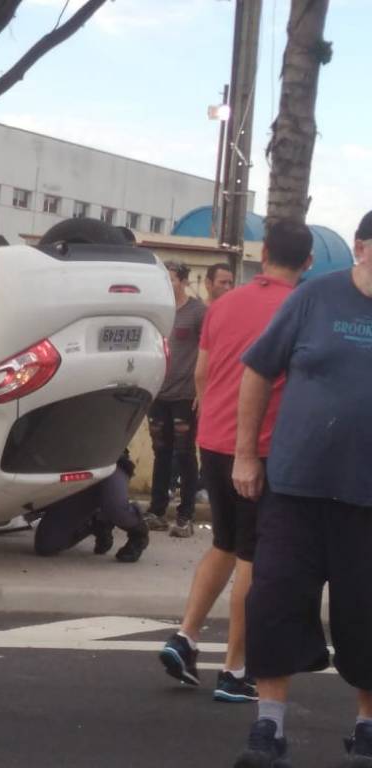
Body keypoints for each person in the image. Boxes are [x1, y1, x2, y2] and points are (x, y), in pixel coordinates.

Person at [230, 211, 372, 768]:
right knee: (275, 603)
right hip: (296, 488)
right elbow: (258, 370)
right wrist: (245, 453)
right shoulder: (314, 299)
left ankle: (366, 730)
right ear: (362, 248)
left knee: (368, 614)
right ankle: (269, 727)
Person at [158, 220, 312, 705]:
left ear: (262, 253)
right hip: (261, 450)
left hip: (215, 439)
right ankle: (235, 669)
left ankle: (185, 636)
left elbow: (202, 373)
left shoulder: (223, 305)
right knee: (253, 557)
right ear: (307, 263)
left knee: (224, 544)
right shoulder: (299, 308)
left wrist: (212, 420)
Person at [142, 261, 206, 537]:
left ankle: (185, 515)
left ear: (183, 281)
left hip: (185, 395)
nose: (168, 285)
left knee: (184, 452)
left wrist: (203, 391)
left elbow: (208, 351)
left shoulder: (198, 312)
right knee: (161, 452)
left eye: (172, 280)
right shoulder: (157, 312)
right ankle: (157, 511)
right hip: (158, 392)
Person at [32, 452, 150, 563]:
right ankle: (95, 521)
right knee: (47, 545)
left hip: (108, 461)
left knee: (117, 508)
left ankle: (138, 534)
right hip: (70, 470)